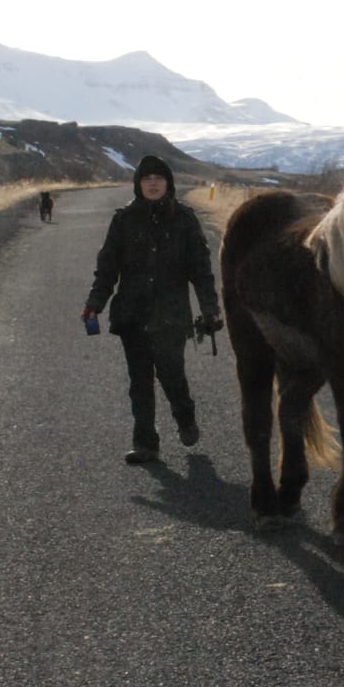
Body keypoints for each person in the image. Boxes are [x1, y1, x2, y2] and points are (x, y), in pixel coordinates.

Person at [81, 156, 224, 464]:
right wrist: (95, 304)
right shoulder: (123, 220)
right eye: (147, 178)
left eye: (159, 178)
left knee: (172, 376)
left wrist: (210, 308)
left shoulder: (185, 220)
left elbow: (201, 270)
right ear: (138, 184)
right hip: (132, 314)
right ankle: (145, 442)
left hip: (171, 315)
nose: (153, 183)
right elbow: (107, 268)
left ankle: (185, 416)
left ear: (168, 183)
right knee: (139, 380)